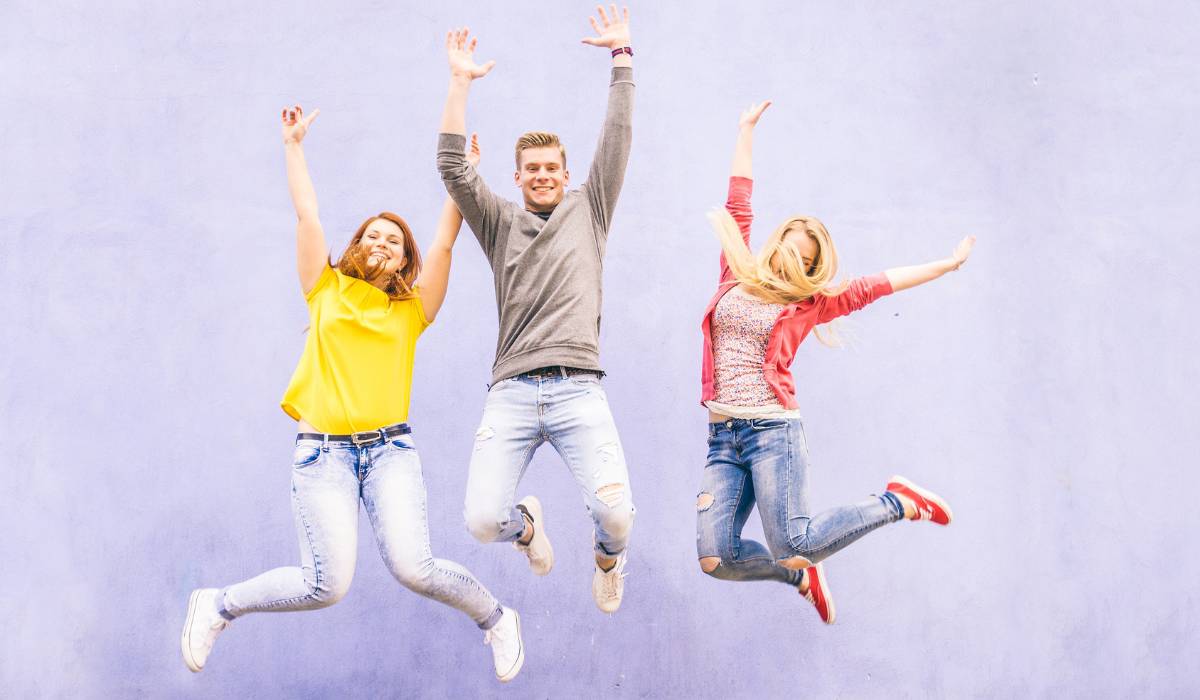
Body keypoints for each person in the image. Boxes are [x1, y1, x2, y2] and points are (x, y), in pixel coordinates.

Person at [179, 106, 524, 682]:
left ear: (403, 260)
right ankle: (217, 605)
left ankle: (496, 618)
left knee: (415, 568)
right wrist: (293, 146)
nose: (382, 242)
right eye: (372, 235)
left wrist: (463, 178)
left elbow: (443, 244)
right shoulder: (326, 287)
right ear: (356, 245)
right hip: (322, 454)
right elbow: (306, 212)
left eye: (394, 239)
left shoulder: (411, 311)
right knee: (326, 585)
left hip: (389, 451)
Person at [696, 100, 976, 624]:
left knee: (795, 540)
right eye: (790, 250)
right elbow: (739, 201)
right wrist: (745, 130)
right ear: (776, 242)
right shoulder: (732, 274)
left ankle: (897, 502)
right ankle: (799, 576)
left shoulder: (811, 303)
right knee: (717, 559)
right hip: (722, 437)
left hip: (773, 433)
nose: (793, 263)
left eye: (807, 262)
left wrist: (947, 264)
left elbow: (877, 285)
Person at [434, 7, 637, 614]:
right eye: (532, 170)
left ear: (567, 174)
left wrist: (621, 57)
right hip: (514, 390)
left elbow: (618, 138)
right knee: (480, 520)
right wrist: (461, 81)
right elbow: (450, 167)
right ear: (517, 177)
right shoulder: (499, 222)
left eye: (552, 168)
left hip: (579, 389)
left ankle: (607, 561)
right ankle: (528, 528)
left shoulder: (590, 208)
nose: (543, 176)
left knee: (617, 516)